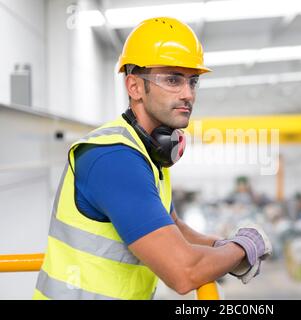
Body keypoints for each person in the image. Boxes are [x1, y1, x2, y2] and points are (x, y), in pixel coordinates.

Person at [33, 17, 271, 300]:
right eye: (173, 79)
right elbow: (183, 272)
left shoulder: (148, 153)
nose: (188, 94)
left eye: (192, 81)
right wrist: (242, 249)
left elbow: (175, 229)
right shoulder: (114, 159)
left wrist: (220, 244)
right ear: (134, 87)